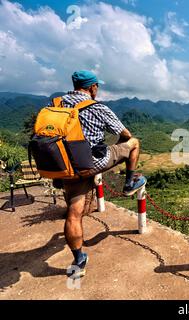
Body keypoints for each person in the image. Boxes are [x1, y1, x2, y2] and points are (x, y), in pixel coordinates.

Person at [60, 70, 146, 278]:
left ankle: (79, 259)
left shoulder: (56, 104)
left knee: (74, 211)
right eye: (96, 87)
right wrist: (116, 147)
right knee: (134, 144)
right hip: (90, 163)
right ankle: (129, 184)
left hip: (66, 166)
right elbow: (126, 135)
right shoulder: (96, 107)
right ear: (93, 87)